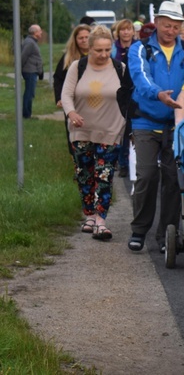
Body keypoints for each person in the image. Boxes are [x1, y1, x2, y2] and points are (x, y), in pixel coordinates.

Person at [127, 1, 184, 253]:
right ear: (156, 22)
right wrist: (158, 94)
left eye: (176, 26)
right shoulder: (140, 49)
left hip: (178, 124)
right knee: (147, 174)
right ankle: (139, 230)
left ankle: (166, 235)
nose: (170, 30)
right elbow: (140, 77)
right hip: (146, 121)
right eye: (166, 25)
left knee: (173, 178)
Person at [61, 26, 127, 241]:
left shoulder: (120, 68)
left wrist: (127, 124)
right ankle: (88, 214)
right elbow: (67, 94)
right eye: (98, 50)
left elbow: (128, 99)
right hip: (81, 131)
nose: (103, 54)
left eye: (108, 49)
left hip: (111, 130)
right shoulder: (77, 67)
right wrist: (71, 112)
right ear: (89, 48)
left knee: (104, 176)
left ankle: (101, 220)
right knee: (84, 174)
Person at [112, 19, 137, 177]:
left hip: (133, 91)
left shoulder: (139, 47)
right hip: (117, 90)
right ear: (118, 32)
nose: (126, 32)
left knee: (131, 129)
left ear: (133, 32)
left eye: (129, 30)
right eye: (123, 30)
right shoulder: (113, 48)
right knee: (120, 130)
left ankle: (131, 162)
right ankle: (121, 162)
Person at [54, 24, 90, 108]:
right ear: (75, 40)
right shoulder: (68, 57)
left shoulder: (98, 55)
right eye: (81, 38)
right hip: (73, 99)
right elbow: (58, 78)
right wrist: (59, 97)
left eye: (87, 37)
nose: (84, 40)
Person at [20, 24, 44, 119]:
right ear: (35, 32)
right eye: (40, 31)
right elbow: (23, 57)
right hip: (30, 71)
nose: (41, 32)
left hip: (32, 71)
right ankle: (26, 115)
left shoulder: (32, 42)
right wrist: (19, 69)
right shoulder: (30, 43)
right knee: (29, 93)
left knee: (30, 93)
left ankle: (27, 114)